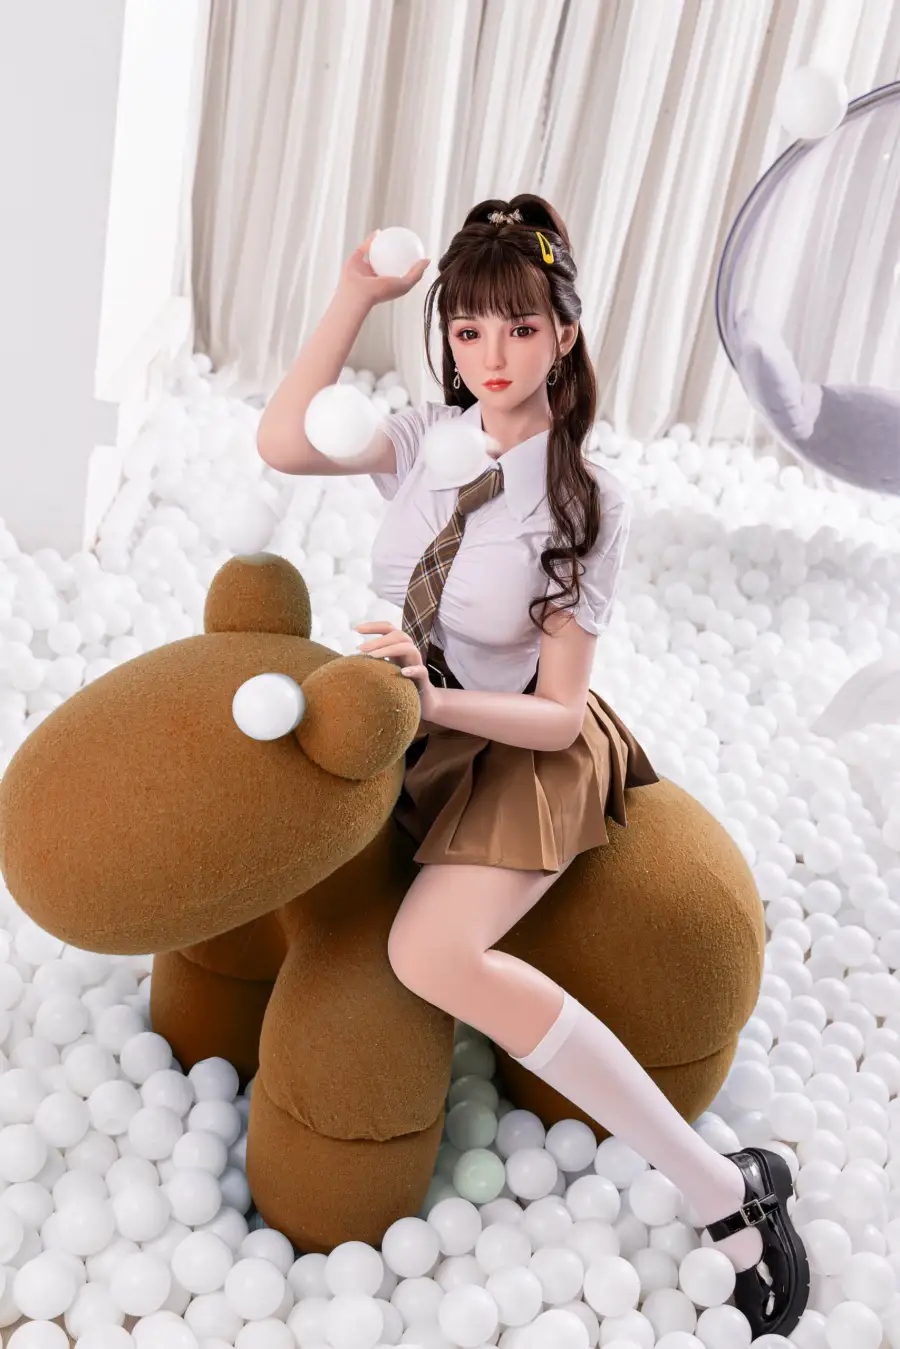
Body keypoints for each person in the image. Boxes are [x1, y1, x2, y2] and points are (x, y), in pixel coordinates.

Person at [257, 193, 810, 1339]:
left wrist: (430, 699)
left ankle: (723, 1185)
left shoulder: (587, 500)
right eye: (466, 329)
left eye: (517, 326)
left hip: (516, 745)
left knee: (427, 949)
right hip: (408, 717)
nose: (491, 356)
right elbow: (283, 440)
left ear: (564, 331)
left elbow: (557, 715)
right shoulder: (423, 441)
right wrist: (356, 292)